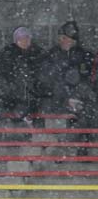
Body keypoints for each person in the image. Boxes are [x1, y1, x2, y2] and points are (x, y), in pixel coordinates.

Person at [40, 21, 96, 155]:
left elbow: (88, 80)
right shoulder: (51, 55)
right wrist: (67, 98)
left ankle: (82, 145)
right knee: (60, 115)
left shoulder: (85, 55)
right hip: (57, 100)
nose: (63, 41)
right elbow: (47, 80)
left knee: (88, 112)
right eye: (61, 38)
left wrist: (76, 97)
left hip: (80, 100)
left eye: (66, 38)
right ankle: (62, 149)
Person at [0, 26, 46, 127]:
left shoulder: (37, 53)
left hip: (28, 92)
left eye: (26, 38)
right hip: (10, 92)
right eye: (21, 39)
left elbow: (42, 74)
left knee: (29, 98)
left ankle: (26, 117)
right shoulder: (7, 53)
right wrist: (7, 85)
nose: (24, 41)